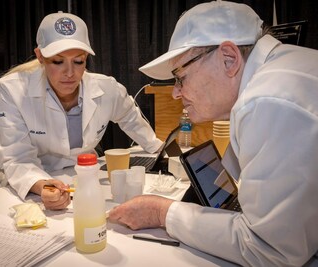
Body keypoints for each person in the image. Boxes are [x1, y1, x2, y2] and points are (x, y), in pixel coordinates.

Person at [109, 1, 318, 266]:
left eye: (180, 77)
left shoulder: (267, 100)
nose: (175, 92)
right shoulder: (282, 71)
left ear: (228, 58)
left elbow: (271, 252)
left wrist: (162, 212)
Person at [0, 12, 163, 210]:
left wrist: (157, 148)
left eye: (79, 61)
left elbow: (130, 117)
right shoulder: (12, 91)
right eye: (58, 62)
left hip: (82, 180)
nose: (70, 73)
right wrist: (42, 186)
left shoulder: (106, 88)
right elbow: (17, 158)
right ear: (40, 56)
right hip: (31, 186)